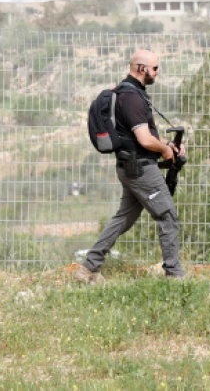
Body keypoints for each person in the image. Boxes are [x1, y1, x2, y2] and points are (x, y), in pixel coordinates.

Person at [75, 49, 188, 283]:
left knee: (123, 218)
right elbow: (145, 140)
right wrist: (166, 151)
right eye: (154, 68)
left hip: (131, 166)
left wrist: (168, 144)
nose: (157, 72)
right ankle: (175, 276)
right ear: (141, 68)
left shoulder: (131, 93)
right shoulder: (132, 98)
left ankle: (88, 268)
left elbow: (142, 136)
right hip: (141, 169)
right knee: (167, 216)